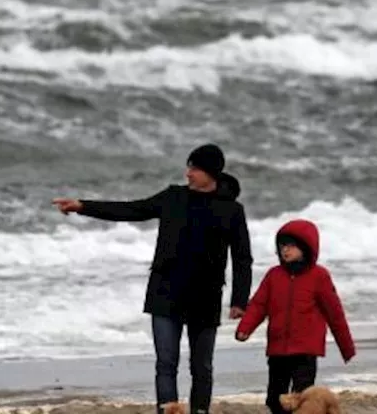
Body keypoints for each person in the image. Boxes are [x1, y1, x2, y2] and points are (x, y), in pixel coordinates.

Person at [52, 144, 253, 414]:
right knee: (166, 364)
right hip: (166, 292)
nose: (188, 173)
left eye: (194, 168)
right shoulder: (173, 197)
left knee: (201, 367)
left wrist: (240, 300)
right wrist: (82, 206)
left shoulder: (231, 210)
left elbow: (242, 258)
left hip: (205, 297)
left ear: (211, 173)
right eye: (189, 167)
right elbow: (132, 210)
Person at [234, 219, 355, 414]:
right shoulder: (274, 275)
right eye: (282, 246)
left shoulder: (319, 276)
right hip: (278, 349)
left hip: (305, 350)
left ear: (306, 248)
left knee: (302, 399)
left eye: (291, 246)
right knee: (275, 399)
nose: (285, 250)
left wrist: (346, 347)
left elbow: (335, 313)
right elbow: (258, 304)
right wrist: (244, 328)